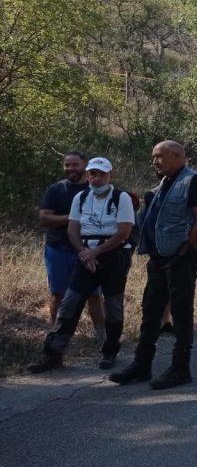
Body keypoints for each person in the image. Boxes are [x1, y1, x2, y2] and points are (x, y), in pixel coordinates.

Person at [109, 141, 197, 390]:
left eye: (159, 156)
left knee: (181, 311)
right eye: (154, 157)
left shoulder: (194, 181)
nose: (154, 161)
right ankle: (142, 365)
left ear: (176, 156)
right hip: (159, 258)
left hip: (181, 257)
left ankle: (180, 368)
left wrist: (186, 250)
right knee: (151, 310)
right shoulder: (163, 183)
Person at [28, 157, 135, 373]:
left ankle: (109, 351)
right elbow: (72, 230)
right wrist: (85, 254)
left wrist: (95, 252)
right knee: (69, 303)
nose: (97, 179)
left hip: (114, 255)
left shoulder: (121, 197)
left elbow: (124, 233)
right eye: (93, 174)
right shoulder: (81, 197)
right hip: (86, 256)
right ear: (87, 175)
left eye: (102, 174)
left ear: (110, 175)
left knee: (113, 304)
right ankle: (53, 354)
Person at [38, 151, 105, 341]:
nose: (70, 168)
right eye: (67, 165)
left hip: (88, 250)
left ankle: (102, 336)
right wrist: (73, 218)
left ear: (85, 166)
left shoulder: (96, 190)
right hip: (58, 249)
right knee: (58, 294)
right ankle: (55, 335)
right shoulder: (56, 189)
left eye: (75, 165)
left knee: (93, 294)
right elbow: (44, 218)